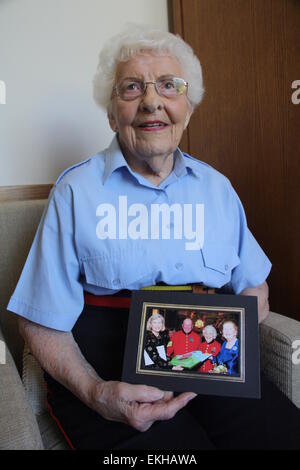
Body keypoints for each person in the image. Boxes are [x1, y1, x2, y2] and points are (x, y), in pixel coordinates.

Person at [7, 24, 300, 449]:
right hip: (108, 368)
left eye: (168, 85)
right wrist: (95, 392)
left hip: (206, 357)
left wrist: (226, 344)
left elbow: (254, 285)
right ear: (112, 114)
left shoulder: (217, 188)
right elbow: (37, 320)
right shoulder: (75, 192)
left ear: (187, 106)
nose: (151, 101)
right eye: (131, 88)